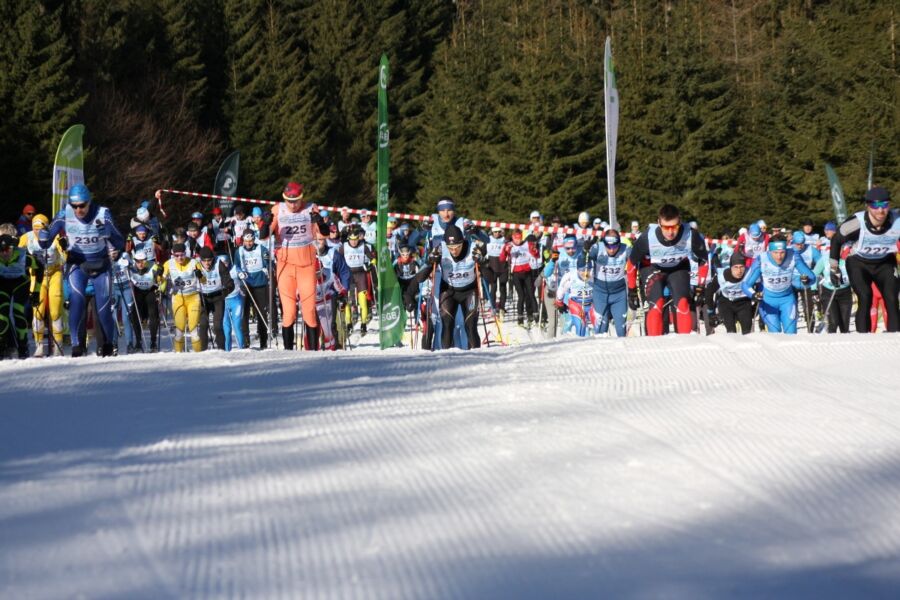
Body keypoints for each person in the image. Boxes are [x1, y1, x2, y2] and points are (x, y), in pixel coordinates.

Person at [39, 183, 125, 357]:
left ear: (89, 202)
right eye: (74, 206)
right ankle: (77, 347)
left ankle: (108, 344)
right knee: (77, 301)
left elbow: (120, 243)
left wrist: (109, 234)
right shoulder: (64, 214)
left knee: (103, 309)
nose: (79, 210)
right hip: (77, 265)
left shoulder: (103, 214)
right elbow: (46, 243)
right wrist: (43, 237)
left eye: (82, 205)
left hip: (101, 266)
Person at [626, 204, 709, 336]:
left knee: (682, 303)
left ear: (680, 222)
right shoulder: (647, 238)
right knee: (657, 303)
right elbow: (631, 264)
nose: (670, 232)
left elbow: (704, 260)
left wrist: (701, 287)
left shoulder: (691, 235)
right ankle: (654, 344)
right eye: (666, 227)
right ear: (659, 223)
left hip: (678, 268)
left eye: (675, 227)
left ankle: (685, 343)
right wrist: (631, 291)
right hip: (652, 268)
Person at [265, 181, 329, 350]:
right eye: (289, 201)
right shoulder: (278, 209)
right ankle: (288, 353)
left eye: (296, 201)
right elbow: (264, 236)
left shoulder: (310, 208)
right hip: (285, 267)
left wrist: (320, 222)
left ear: (302, 198)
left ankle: (314, 353)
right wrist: (265, 223)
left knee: (309, 312)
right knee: (289, 314)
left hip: (307, 266)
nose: (292, 205)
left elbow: (325, 234)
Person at [828, 186, 898, 332]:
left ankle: (896, 340)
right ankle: (863, 338)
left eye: (884, 205)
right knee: (865, 296)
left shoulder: (897, 220)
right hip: (858, 262)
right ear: (868, 206)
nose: (880, 210)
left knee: (891, 299)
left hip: (884, 262)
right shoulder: (856, 222)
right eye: (875, 205)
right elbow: (836, 240)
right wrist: (834, 269)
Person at [415, 224, 487, 350]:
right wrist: (429, 262)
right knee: (447, 324)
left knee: (470, 326)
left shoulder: (473, 249)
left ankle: (477, 356)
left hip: (469, 291)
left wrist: (482, 262)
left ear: (462, 242)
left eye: (457, 247)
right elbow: (420, 279)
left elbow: (490, 278)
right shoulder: (440, 249)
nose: (453, 251)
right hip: (448, 291)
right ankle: (446, 356)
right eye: (450, 247)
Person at [741, 233, 817, 334]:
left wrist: (806, 281)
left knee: (791, 334)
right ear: (770, 250)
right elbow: (745, 284)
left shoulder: (794, 256)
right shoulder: (762, 259)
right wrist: (754, 295)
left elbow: (812, 277)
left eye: (782, 252)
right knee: (775, 332)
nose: (779, 256)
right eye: (775, 253)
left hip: (787, 300)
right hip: (768, 302)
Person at [19, 214, 66, 356]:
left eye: (41, 228)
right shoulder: (27, 237)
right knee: (37, 311)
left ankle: (58, 344)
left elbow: (65, 255)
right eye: (35, 228)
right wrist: (25, 263)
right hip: (37, 276)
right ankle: (39, 345)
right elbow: (16, 253)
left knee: (55, 310)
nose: (38, 231)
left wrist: (63, 254)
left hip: (54, 274)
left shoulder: (55, 236)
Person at [0, 234, 38, 358]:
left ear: (13, 248)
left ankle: (23, 346)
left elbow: (39, 268)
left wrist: (36, 291)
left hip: (20, 284)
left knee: (18, 311)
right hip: (3, 285)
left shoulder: (23, 256)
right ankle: (2, 346)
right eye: (1, 251)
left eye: (7, 250)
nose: (4, 253)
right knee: (2, 315)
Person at [586, 230, 630, 337]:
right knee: (601, 329)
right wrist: (585, 252)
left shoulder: (626, 249)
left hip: (619, 294)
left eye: (615, 247)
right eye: (608, 247)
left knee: (621, 330)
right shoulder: (597, 248)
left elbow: (636, 261)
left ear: (619, 243)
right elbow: (583, 263)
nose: (611, 250)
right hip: (600, 293)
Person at [233, 230, 271, 349]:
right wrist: (239, 273)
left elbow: (269, 262)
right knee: (244, 313)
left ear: (254, 240)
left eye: (250, 241)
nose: (248, 243)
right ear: (243, 241)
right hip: (245, 285)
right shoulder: (239, 251)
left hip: (260, 284)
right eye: (246, 241)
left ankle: (263, 341)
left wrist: (267, 268)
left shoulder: (261, 249)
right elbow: (236, 266)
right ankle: (245, 341)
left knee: (261, 313)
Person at [161, 242, 202, 352]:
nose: (180, 258)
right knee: (179, 330)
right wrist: (158, 275)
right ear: (173, 255)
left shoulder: (194, 262)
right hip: (178, 298)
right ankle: (178, 355)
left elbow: (204, 281)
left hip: (193, 298)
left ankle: (200, 356)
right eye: (177, 255)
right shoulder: (168, 264)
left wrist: (200, 276)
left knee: (194, 331)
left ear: (186, 253)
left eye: (182, 255)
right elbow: (161, 281)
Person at [196, 247, 235, 350]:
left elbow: (230, 283)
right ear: (201, 260)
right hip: (203, 297)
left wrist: (224, 293)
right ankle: (203, 351)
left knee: (218, 326)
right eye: (204, 261)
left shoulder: (219, 264)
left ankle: (221, 349)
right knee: (203, 325)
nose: (207, 263)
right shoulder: (196, 265)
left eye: (209, 260)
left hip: (217, 297)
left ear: (213, 259)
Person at [500, 229, 539, 327]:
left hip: (527, 273)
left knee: (531, 294)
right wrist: (505, 251)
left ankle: (535, 316)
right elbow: (501, 259)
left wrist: (534, 250)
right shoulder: (509, 245)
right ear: (512, 237)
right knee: (521, 296)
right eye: (516, 238)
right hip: (516, 274)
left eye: (519, 238)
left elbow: (536, 255)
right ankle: (520, 318)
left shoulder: (527, 244)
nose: (518, 240)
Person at [707, 251, 753, 333]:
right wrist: (711, 312)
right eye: (736, 267)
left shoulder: (749, 273)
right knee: (731, 331)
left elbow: (761, 285)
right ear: (730, 267)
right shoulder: (721, 276)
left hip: (744, 303)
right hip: (726, 303)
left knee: (747, 332)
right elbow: (709, 292)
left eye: (741, 267)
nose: (739, 271)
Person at [341, 228, 376, 335]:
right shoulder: (344, 247)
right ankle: (348, 323)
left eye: (356, 239)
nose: (354, 242)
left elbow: (373, 259)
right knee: (348, 301)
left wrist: (369, 265)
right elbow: (338, 260)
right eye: (351, 239)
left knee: (362, 301)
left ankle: (363, 324)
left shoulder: (363, 246)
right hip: (348, 275)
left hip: (360, 274)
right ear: (348, 239)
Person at [129, 250, 163, 351]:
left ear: (146, 260)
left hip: (150, 290)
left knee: (153, 315)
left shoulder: (153, 266)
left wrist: (160, 274)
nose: (140, 264)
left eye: (143, 261)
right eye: (138, 261)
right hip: (138, 292)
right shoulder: (130, 268)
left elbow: (161, 279)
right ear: (134, 260)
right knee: (136, 316)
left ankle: (153, 342)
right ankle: (138, 342)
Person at [813, 244, 851, 333]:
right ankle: (831, 343)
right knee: (833, 322)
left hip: (845, 293)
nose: (838, 252)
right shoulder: (824, 259)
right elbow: (814, 274)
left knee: (845, 325)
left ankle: (845, 345)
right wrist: (814, 290)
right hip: (829, 293)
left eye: (840, 249)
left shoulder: (848, 259)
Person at [790, 231, 821, 333]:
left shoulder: (812, 250)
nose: (800, 246)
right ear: (793, 242)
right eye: (797, 244)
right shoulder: (788, 251)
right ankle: (791, 331)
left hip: (807, 283)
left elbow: (821, 264)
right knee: (791, 308)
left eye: (802, 243)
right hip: (791, 283)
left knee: (809, 307)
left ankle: (810, 329)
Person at [556, 258, 595, 337]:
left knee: (598, 324)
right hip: (576, 303)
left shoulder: (595, 275)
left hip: (592, 303)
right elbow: (561, 289)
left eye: (588, 270)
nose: (585, 274)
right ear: (577, 270)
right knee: (581, 325)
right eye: (582, 270)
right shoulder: (570, 276)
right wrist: (559, 302)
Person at [483, 227, 509, 316]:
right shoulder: (488, 239)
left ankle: (502, 307)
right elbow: (482, 250)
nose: (497, 233)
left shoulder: (505, 240)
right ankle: (493, 307)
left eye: (499, 232)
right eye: (495, 232)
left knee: (503, 288)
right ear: (492, 232)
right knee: (493, 288)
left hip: (503, 267)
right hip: (492, 267)